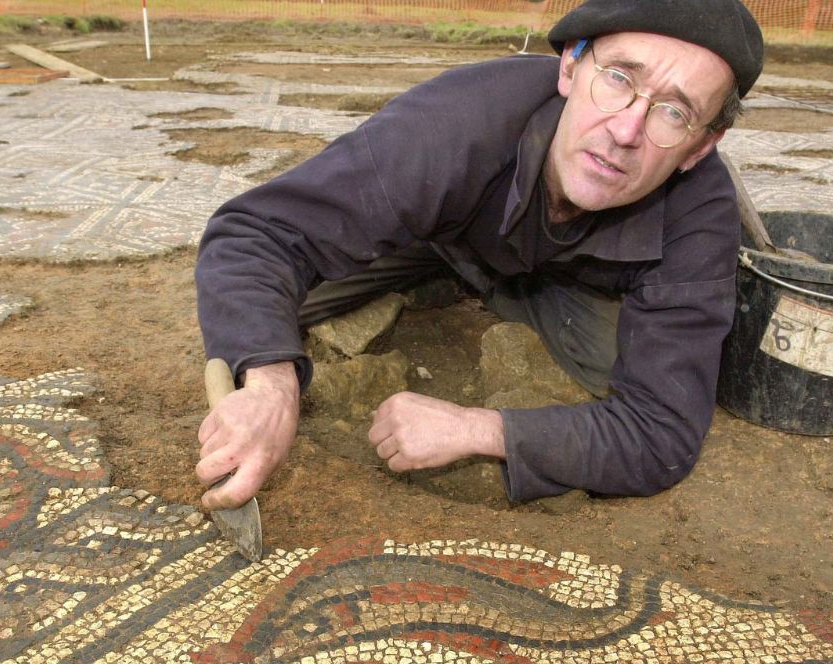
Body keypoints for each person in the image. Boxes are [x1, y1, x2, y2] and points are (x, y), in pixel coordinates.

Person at [194, 0, 764, 508]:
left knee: (621, 374)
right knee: (268, 315)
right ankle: (443, 269)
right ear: (570, 64)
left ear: (702, 144)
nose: (626, 130)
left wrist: (478, 430)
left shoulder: (700, 213)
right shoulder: (456, 122)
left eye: (674, 112)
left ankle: (491, 289)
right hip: (441, 238)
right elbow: (256, 232)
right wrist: (271, 388)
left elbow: (662, 433)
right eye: (618, 78)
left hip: (567, 287)